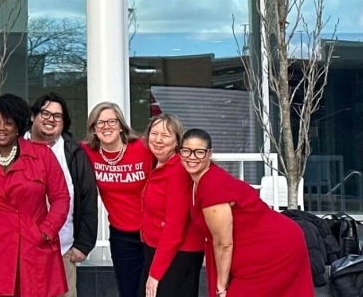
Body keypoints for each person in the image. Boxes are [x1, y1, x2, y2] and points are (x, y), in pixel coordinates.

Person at [0, 94, 70, 297]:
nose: (1, 128)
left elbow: (61, 198)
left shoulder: (43, 155)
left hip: (35, 249)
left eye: (8, 123)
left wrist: (46, 231)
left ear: (18, 126)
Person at [183, 129, 314, 297]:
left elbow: (224, 243)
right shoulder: (199, 179)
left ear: (209, 154)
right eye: (186, 150)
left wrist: (221, 288)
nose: (192, 157)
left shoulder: (211, 186)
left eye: (199, 152)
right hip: (259, 246)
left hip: (273, 248)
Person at [28, 93, 98, 297]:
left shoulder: (74, 154)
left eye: (57, 116)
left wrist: (83, 245)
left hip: (63, 250)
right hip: (21, 253)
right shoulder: (14, 147)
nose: (51, 119)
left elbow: (88, 200)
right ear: (33, 116)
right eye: (45, 113)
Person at [82, 102, 152, 297]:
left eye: (112, 121)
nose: (106, 126)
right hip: (122, 236)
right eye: (100, 123)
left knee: (155, 289)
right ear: (93, 129)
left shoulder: (144, 147)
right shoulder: (86, 151)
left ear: (121, 125)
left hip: (153, 231)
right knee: (128, 290)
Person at [140, 115, 202, 297]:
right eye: (154, 133)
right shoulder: (157, 164)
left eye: (166, 135)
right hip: (157, 250)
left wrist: (155, 274)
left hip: (178, 255)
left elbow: (174, 227)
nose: (158, 140)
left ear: (177, 141)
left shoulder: (178, 171)